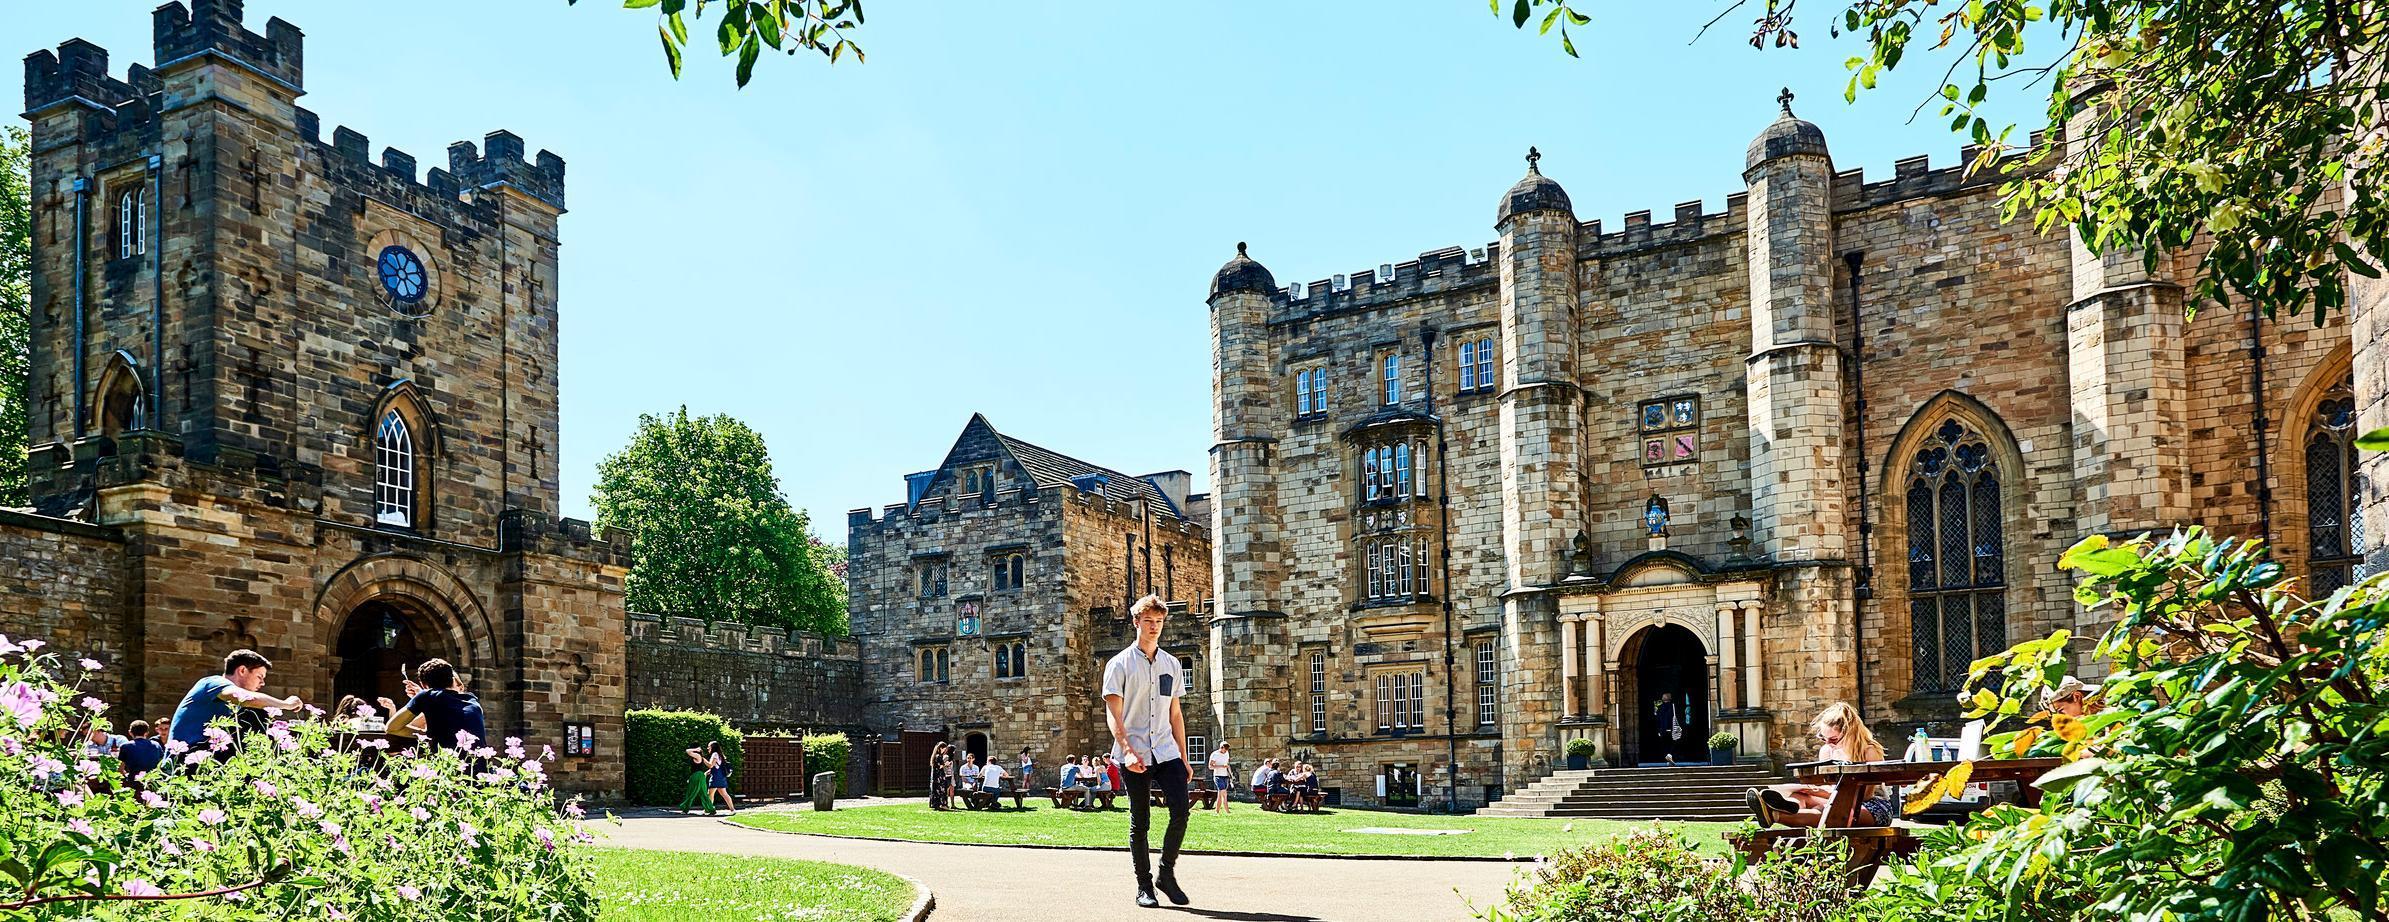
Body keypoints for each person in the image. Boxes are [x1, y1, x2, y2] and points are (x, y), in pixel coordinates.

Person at [1102, 594, 1192, 908]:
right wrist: (1127, 751)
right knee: (1140, 822)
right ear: (1136, 622)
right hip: (1135, 753)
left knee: (1181, 812)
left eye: (1159, 621)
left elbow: (1175, 714)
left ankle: (1166, 874)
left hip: (1166, 751)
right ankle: (1144, 886)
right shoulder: (1119, 664)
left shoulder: (1172, 664)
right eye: (1148, 621)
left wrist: (1184, 757)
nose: (1154, 627)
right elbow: (1114, 715)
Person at [1745, 702, 1893, 828]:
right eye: (1823, 738)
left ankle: (1774, 814)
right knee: (1801, 795)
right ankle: (1786, 806)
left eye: (1833, 739)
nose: (1828, 743)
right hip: (1837, 800)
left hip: (1872, 806)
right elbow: (1828, 787)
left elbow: (1865, 796)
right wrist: (1813, 791)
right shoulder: (1827, 751)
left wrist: (1817, 791)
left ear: (1850, 733)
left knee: (1830, 812)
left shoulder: (1869, 751)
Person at [168, 649, 303, 754]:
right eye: (259, 677)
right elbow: (248, 699)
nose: (262, 683)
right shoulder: (213, 682)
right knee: (255, 714)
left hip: (209, 755)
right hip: (187, 757)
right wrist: (286, 704)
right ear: (242, 670)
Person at [385, 659, 485, 753]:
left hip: (448, 763)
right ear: (453, 680)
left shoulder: (426, 696)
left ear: (424, 685)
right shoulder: (473, 701)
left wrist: (425, 734)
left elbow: (391, 728)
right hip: (479, 764)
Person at [700, 741, 735, 814]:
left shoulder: (715, 754)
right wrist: (707, 772)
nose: (707, 748)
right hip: (721, 777)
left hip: (715, 778)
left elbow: (710, 765)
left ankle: (708, 809)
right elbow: (716, 766)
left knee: (710, 794)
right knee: (724, 794)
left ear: (713, 747)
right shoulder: (719, 754)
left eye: (709, 746)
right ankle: (732, 810)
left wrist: (702, 759)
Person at [678, 743, 714, 813]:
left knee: (691, 792)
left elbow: (687, 751)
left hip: (696, 775)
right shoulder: (701, 757)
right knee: (703, 793)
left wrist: (696, 749)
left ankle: (685, 809)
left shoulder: (697, 755)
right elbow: (710, 766)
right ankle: (710, 809)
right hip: (701, 776)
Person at [1654, 692, 1687, 764]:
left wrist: (1659, 730)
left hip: (1663, 730)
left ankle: (1668, 757)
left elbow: (1657, 720)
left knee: (1665, 745)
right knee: (1674, 743)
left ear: (1664, 699)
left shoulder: (1660, 708)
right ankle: (1670, 755)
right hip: (1673, 729)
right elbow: (1680, 717)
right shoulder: (1674, 707)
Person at [1207, 741, 1233, 814]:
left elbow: (1227, 764)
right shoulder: (1215, 754)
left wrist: (1231, 774)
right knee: (1224, 793)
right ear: (1221, 748)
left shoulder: (1227, 753)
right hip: (1218, 776)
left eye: (1227, 750)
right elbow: (1210, 766)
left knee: (1220, 794)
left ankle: (1217, 811)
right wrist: (1221, 766)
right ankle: (1228, 811)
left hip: (1225, 776)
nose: (1226, 751)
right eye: (1225, 750)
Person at [928, 742, 954, 811]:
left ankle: (936, 804)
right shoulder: (938, 756)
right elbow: (939, 766)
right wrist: (946, 764)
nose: (944, 751)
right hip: (939, 776)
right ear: (940, 748)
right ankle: (942, 804)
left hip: (935, 776)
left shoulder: (935, 756)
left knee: (936, 790)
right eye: (944, 749)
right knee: (941, 790)